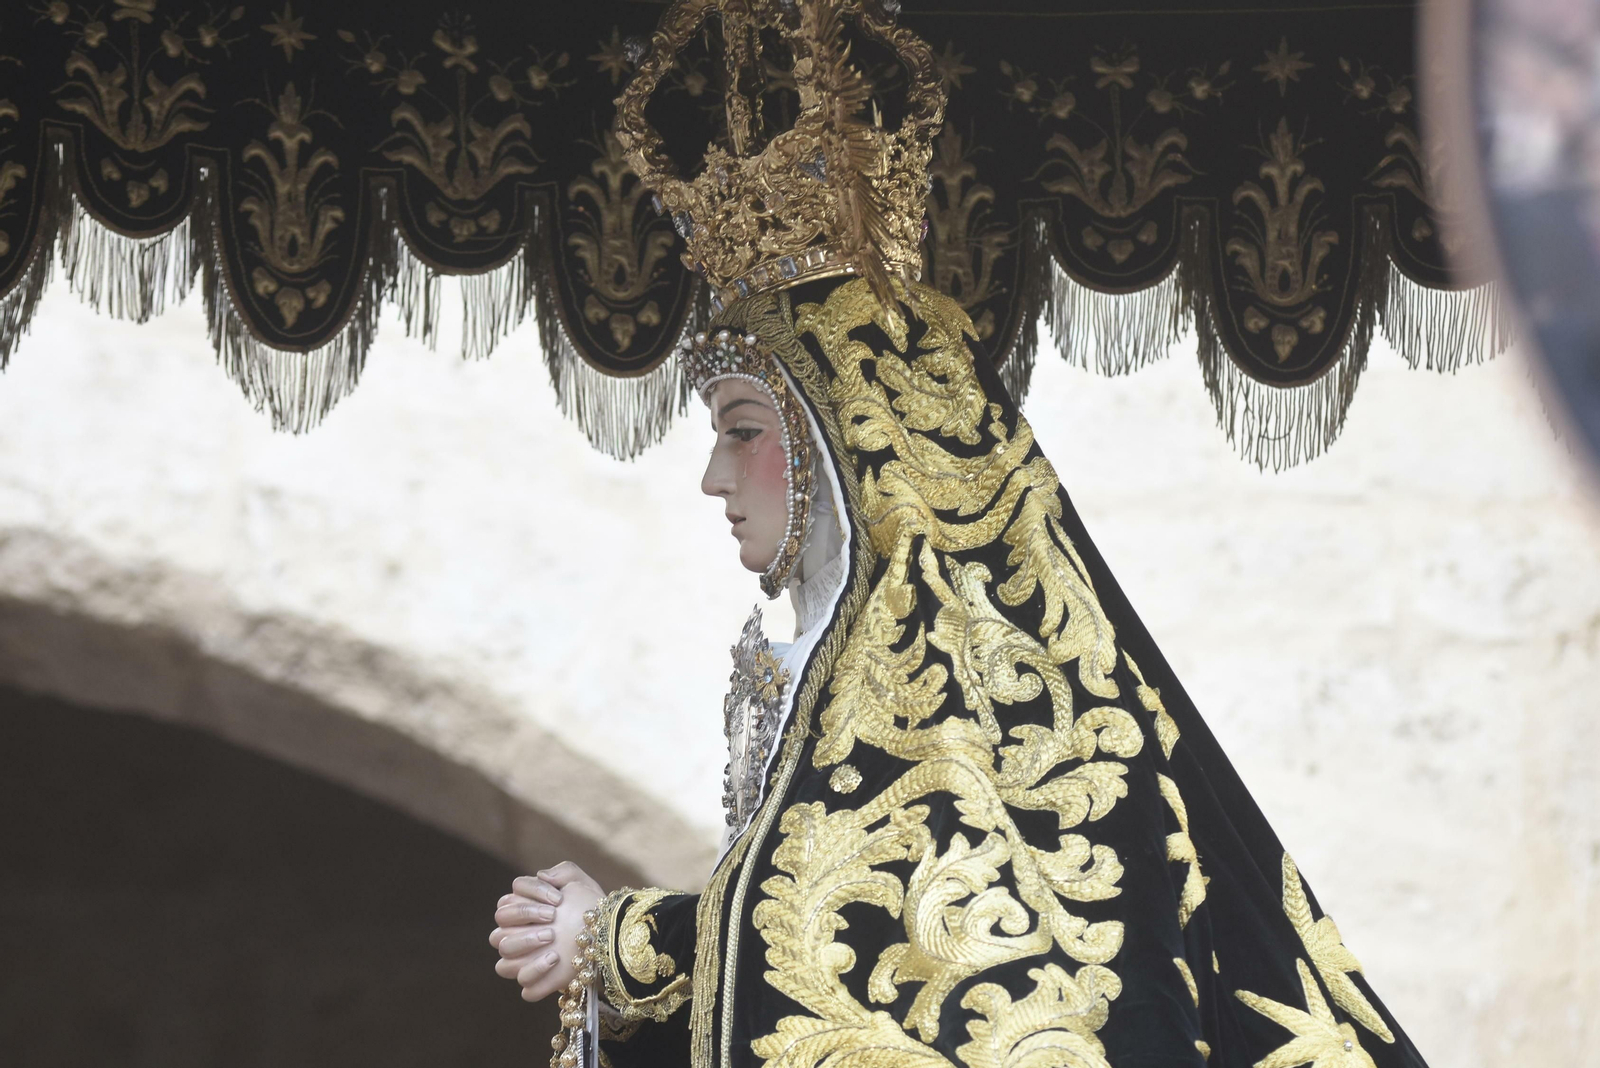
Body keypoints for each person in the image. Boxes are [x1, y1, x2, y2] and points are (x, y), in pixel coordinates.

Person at [488, 3, 1432, 1066]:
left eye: (743, 430)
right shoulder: (842, 679)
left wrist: (619, 939)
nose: (714, 478)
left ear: (853, 445)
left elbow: (882, 959)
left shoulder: (1009, 711)